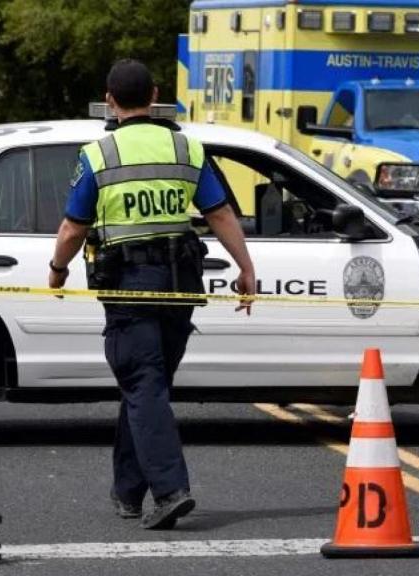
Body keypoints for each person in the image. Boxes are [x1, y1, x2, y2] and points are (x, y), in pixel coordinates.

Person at [48, 59, 256, 530]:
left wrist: (58, 269)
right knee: (148, 388)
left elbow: (71, 227)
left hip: (130, 289)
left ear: (110, 100)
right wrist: (246, 268)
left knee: (144, 386)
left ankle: (170, 491)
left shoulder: (99, 154)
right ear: (155, 94)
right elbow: (221, 214)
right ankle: (127, 493)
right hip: (181, 287)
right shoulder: (187, 148)